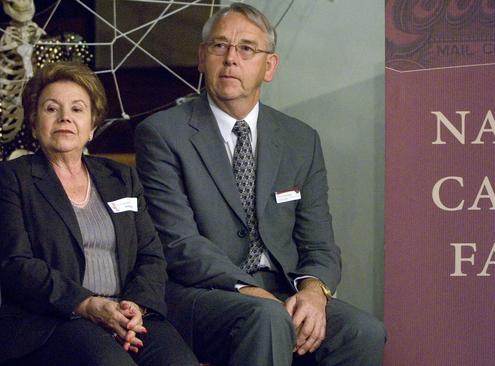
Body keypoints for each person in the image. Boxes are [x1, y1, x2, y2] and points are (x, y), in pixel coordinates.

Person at [134, 2, 386, 366]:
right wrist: (249, 290)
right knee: (267, 318)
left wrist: (315, 292)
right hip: (200, 294)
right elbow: (179, 244)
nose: (231, 59)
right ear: (203, 58)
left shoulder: (301, 140)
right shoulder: (162, 134)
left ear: (269, 66)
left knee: (363, 331)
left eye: (246, 49)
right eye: (219, 46)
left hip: (283, 289)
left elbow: (319, 244)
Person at [0, 62, 199, 366]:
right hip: (53, 320)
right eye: (52, 109)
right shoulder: (13, 178)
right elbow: (16, 264)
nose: (65, 117)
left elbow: (151, 255)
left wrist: (135, 306)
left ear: (92, 126)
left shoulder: (122, 178)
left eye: (77, 109)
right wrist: (86, 304)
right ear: (34, 121)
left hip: (126, 312)